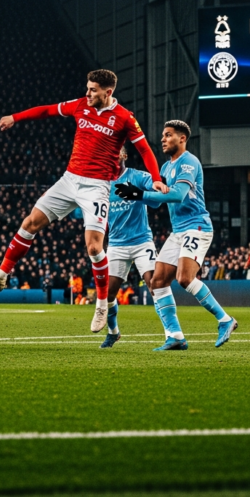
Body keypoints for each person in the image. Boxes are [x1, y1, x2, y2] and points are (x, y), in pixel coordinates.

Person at [0, 69, 165, 334]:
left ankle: (101, 304)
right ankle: (2, 274)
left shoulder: (125, 117)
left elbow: (144, 149)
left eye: (93, 90)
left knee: (94, 247)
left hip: (97, 187)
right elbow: (47, 110)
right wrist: (15, 117)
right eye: (87, 88)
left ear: (108, 92)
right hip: (69, 180)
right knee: (29, 223)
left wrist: (156, 178)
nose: (87, 93)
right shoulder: (80, 105)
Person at [116, 120, 237, 351]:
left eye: (168, 135)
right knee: (157, 281)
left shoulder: (189, 162)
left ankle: (225, 320)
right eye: (163, 135)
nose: (163, 139)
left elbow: (178, 195)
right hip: (179, 230)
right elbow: (156, 200)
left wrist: (139, 194)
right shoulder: (165, 168)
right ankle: (175, 336)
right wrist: (135, 194)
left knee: (184, 278)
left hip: (196, 226)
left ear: (182, 138)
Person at [99, 147, 159, 349]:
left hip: (142, 241)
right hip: (116, 244)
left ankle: (172, 333)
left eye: (116, 152)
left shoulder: (138, 176)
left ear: (124, 155)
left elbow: (157, 197)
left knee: (155, 286)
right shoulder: (102, 184)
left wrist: (139, 193)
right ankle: (113, 332)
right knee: (107, 294)